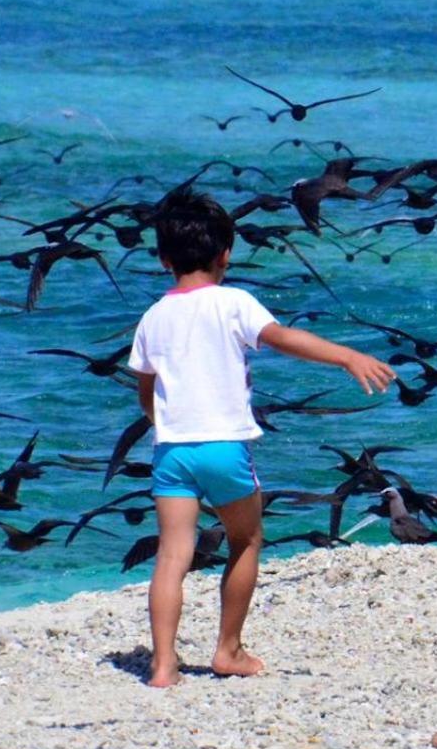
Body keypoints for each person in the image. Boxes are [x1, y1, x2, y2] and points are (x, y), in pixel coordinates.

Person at [127, 188, 396, 686]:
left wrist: (160, 421)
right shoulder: (233, 302)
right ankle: (227, 650)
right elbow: (282, 338)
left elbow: (147, 389)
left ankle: (163, 665)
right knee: (246, 539)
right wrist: (346, 356)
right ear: (226, 253)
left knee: (172, 555)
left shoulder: (152, 317)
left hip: (171, 452)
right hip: (225, 449)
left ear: (163, 258)